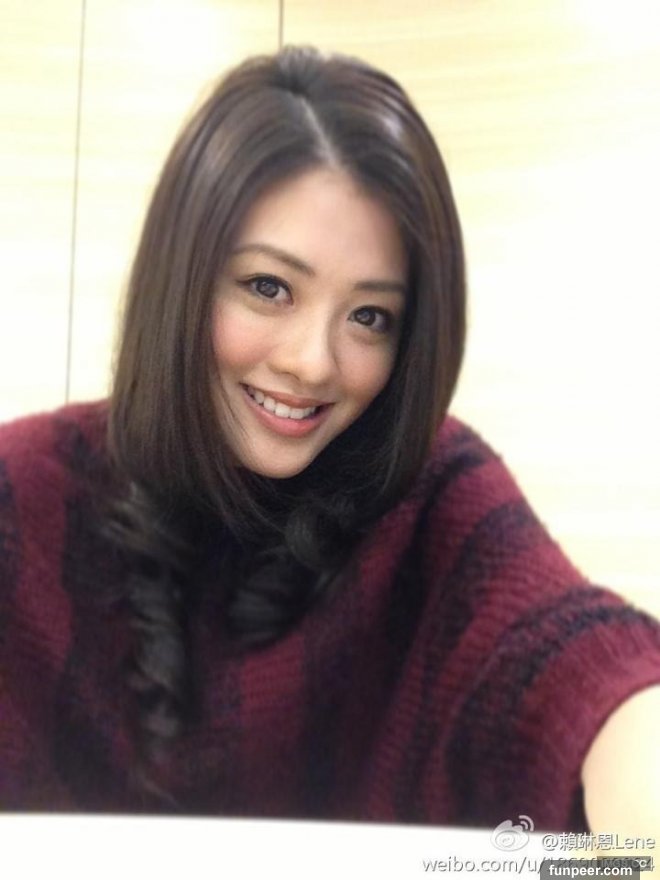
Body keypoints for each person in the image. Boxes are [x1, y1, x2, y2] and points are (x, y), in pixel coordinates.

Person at [0, 46, 659, 833]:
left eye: (369, 317)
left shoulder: (428, 491)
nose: (314, 363)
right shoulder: (22, 492)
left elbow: (580, 669)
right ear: (180, 278)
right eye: (268, 288)